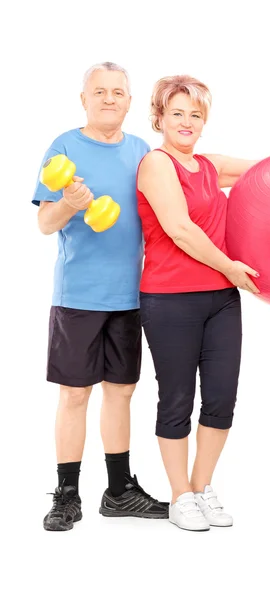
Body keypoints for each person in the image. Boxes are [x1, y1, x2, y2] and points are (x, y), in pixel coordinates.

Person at [32, 62, 168, 532]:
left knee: (123, 391)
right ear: (84, 99)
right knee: (75, 394)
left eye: (118, 92)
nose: (109, 99)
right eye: (100, 91)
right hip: (80, 295)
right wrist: (69, 203)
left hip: (131, 295)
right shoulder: (64, 148)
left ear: (130, 101)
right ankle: (67, 495)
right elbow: (44, 223)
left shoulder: (142, 152)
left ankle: (118, 491)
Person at [137, 75, 260, 532]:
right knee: (176, 401)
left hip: (223, 300)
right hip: (169, 300)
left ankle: (202, 486)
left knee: (222, 399)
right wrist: (231, 266)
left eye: (195, 114)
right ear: (160, 119)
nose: (186, 122)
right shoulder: (156, 164)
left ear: (204, 121)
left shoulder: (209, 165)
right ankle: (179, 496)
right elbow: (181, 230)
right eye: (177, 114)